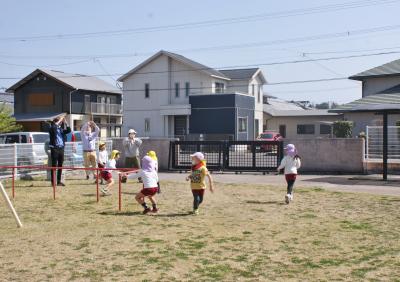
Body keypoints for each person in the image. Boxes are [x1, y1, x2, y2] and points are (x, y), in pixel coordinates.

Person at [48, 116, 71, 186]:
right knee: (54, 166)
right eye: (60, 122)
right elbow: (54, 126)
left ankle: (58, 181)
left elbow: (68, 131)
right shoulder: (52, 128)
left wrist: (66, 122)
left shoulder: (60, 129)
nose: (60, 123)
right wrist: (60, 119)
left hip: (61, 148)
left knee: (60, 165)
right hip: (55, 148)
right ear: (56, 122)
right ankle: (53, 182)